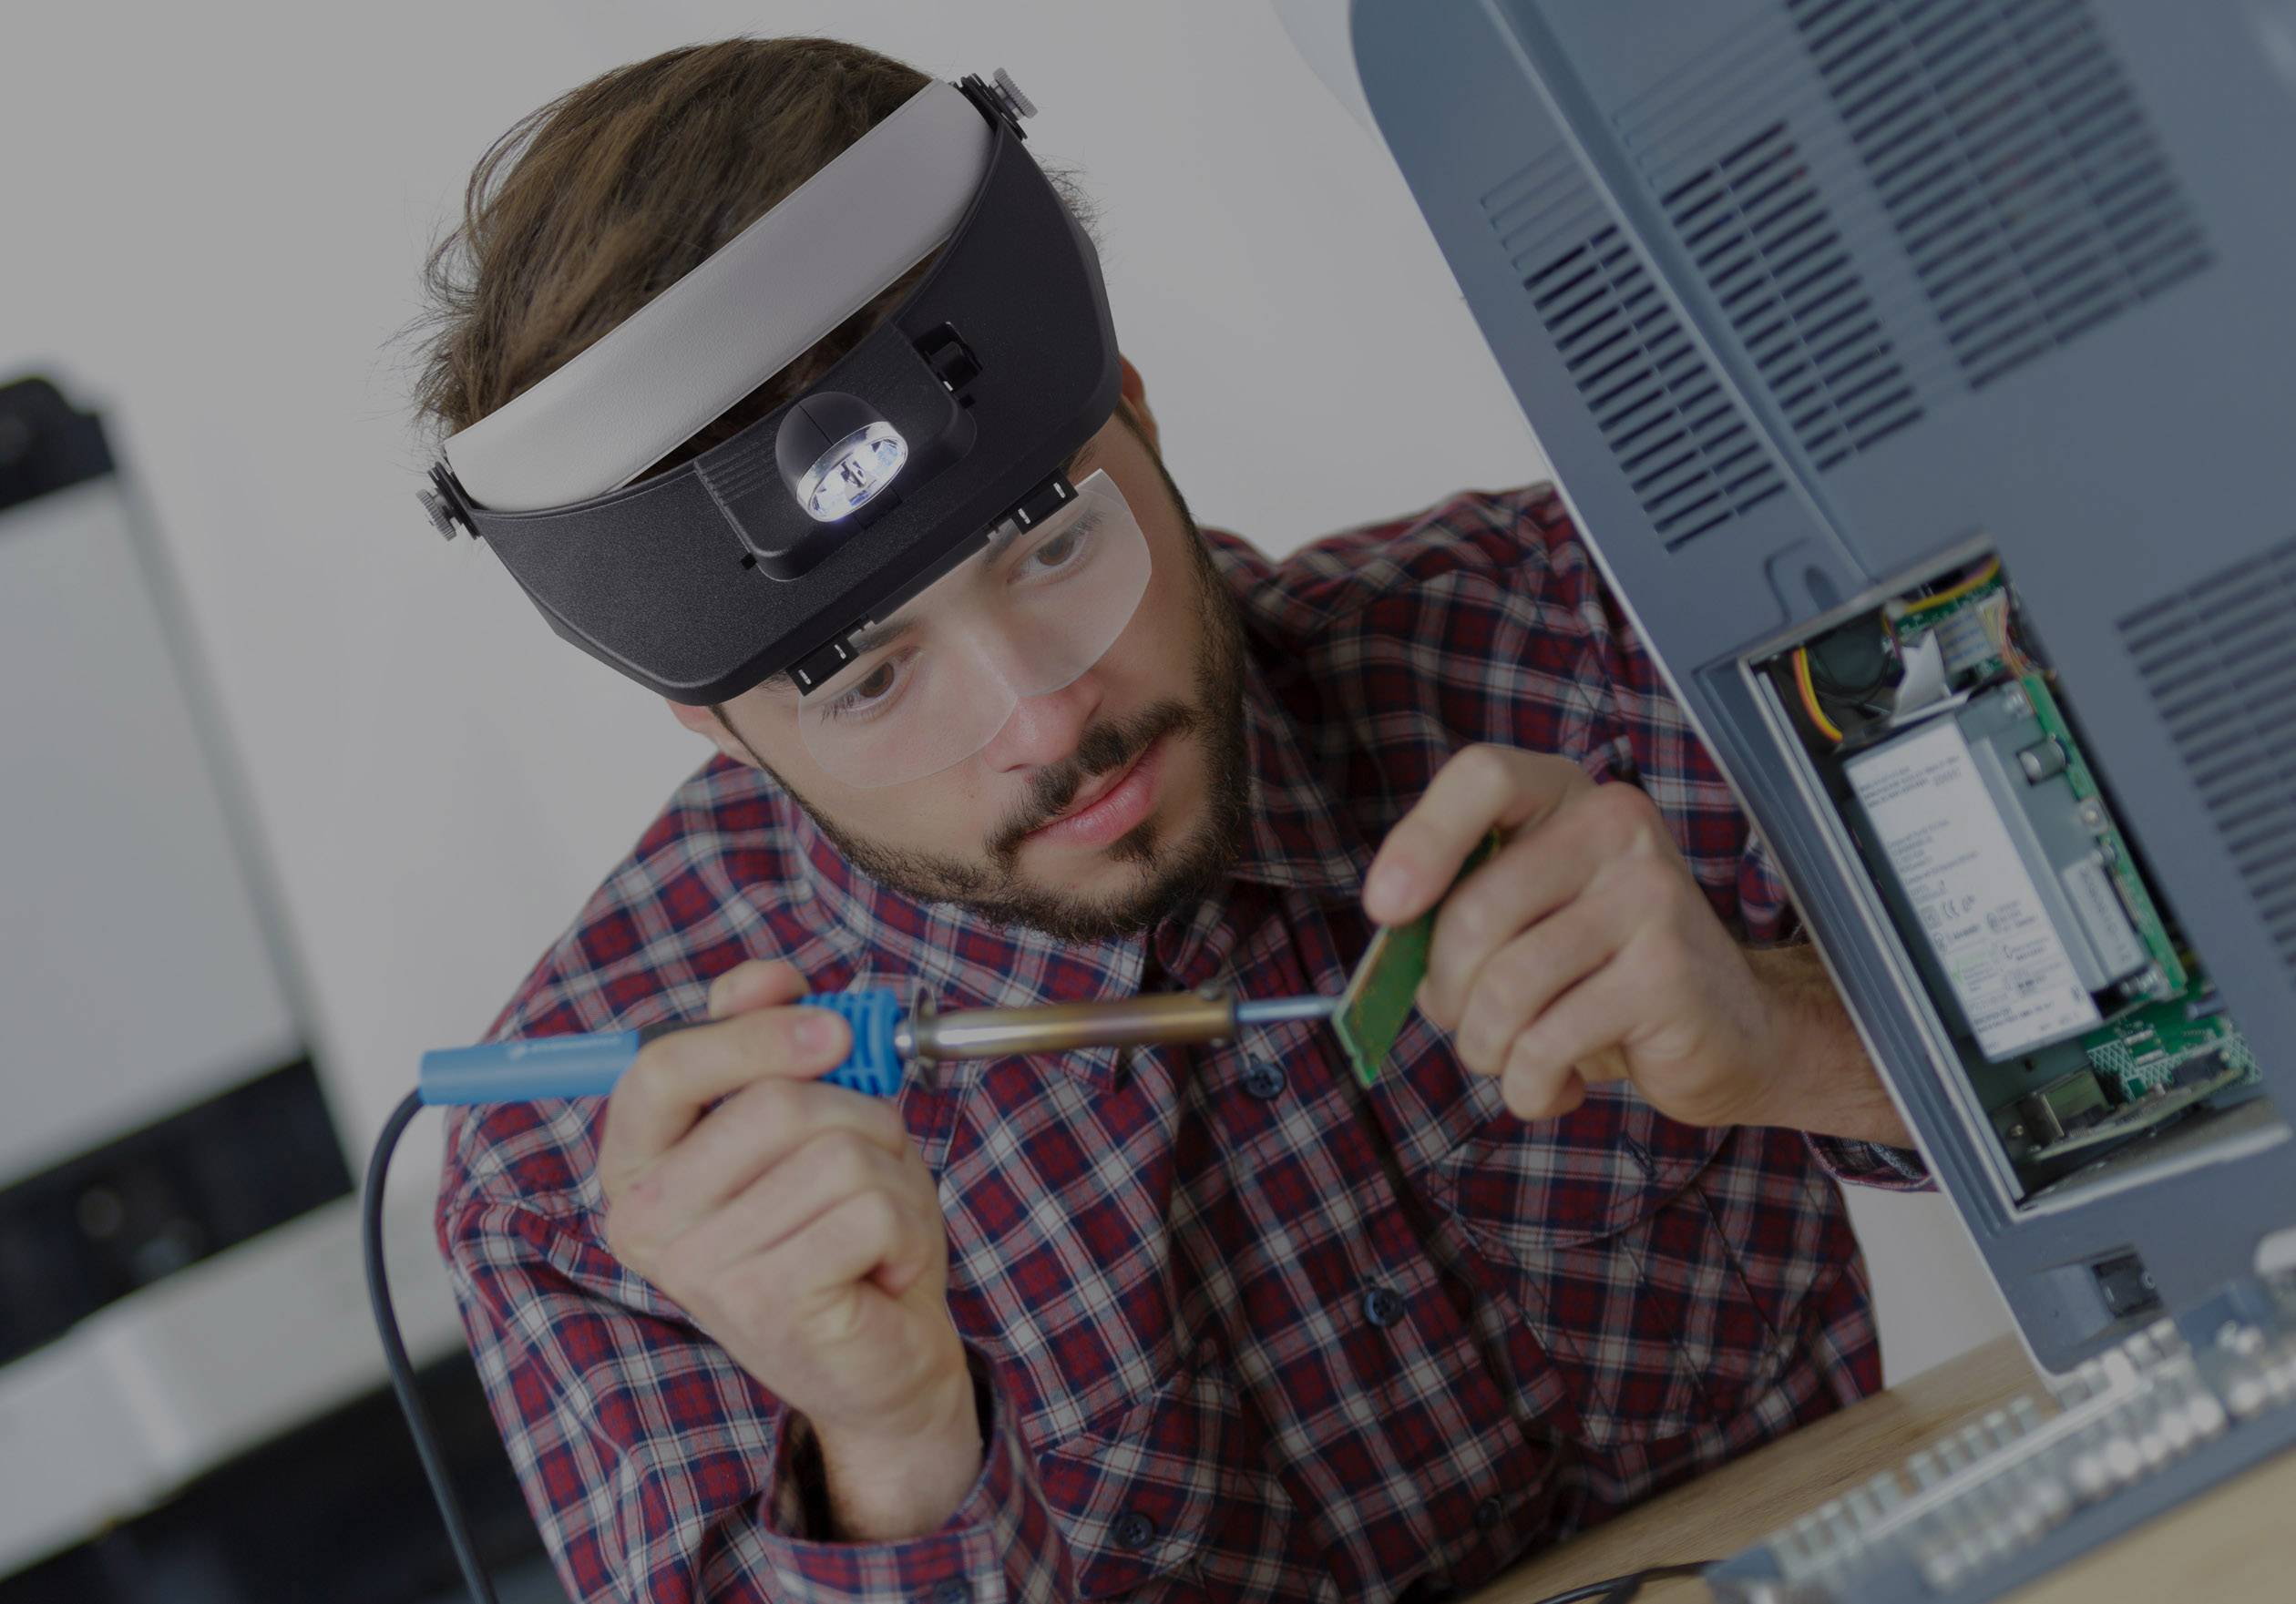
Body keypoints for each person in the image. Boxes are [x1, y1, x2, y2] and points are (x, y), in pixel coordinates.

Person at [411, 36, 1925, 1604]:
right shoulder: (581, 1190)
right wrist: (892, 1450)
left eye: (1056, 543)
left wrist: (1794, 1032)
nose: (1048, 719)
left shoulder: (1566, 635)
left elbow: (2174, 1051)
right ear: (713, 726)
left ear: (1137, 413)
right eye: (867, 679)